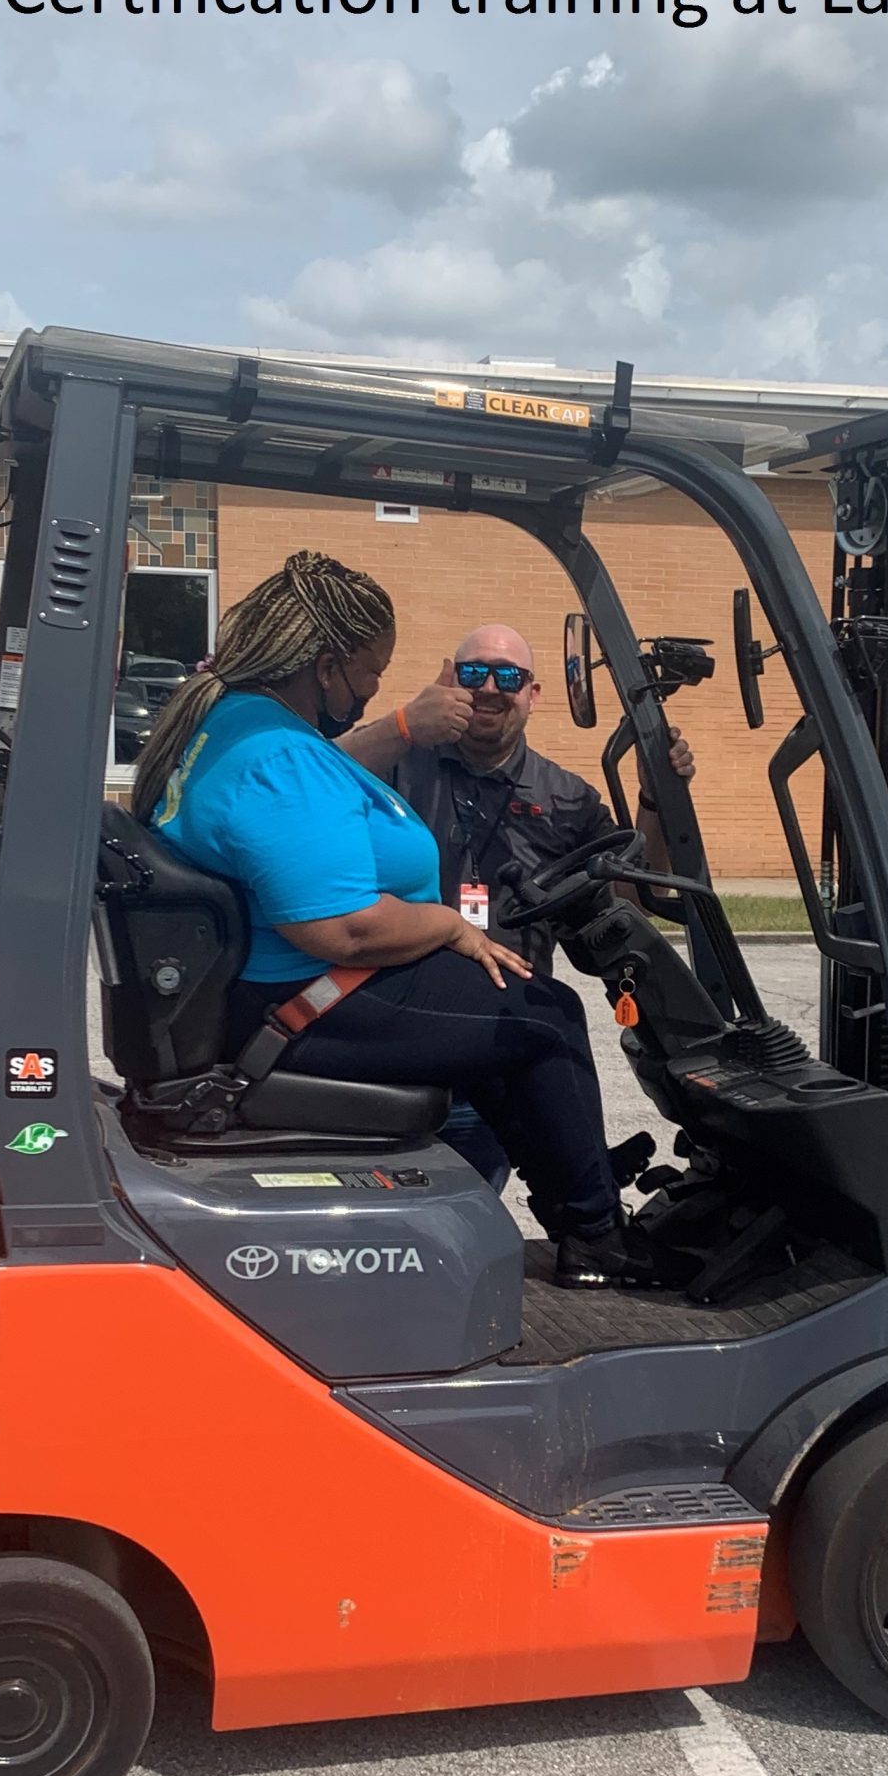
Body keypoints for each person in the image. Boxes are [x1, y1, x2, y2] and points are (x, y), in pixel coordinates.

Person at [131, 552, 665, 1290]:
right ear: (326, 667)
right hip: (299, 1003)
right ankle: (599, 1237)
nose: (379, 687)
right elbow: (340, 931)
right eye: (373, 670)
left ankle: (581, 1219)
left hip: (287, 990)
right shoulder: (275, 755)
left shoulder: (238, 728)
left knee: (509, 1016)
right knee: (548, 1015)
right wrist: (448, 926)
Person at [344, 621, 695, 1187]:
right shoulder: (396, 764)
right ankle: (592, 1210)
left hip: (501, 1043)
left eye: (508, 675)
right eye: (473, 672)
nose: (489, 687)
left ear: (533, 694)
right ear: (448, 680)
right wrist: (406, 724)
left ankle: (588, 1202)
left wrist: (655, 798)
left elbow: (634, 896)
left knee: (472, 1205)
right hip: (400, 1036)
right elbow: (305, 777)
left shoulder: (566, 799)